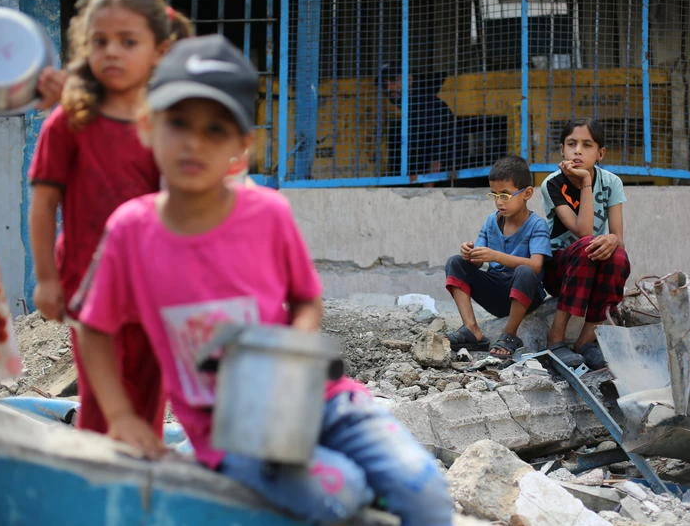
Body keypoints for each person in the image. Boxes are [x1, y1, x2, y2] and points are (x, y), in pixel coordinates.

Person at [72, 34, 454, 526]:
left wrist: (287, 361)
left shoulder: (268, 214)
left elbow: (306, 301)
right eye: (179, 124)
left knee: (423, 491)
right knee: (338, 489)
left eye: (216, 129)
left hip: (322, 400)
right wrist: (122, 416)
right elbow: (93, 326)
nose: (194, 142)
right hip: (229, 432)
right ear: (147, 127)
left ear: (242, 146)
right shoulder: (131, 230)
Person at [28, 0, 192, 436]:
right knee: (103, 406)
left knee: (149, 402)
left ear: (159, 50)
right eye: (100, 41)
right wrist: (45, 278)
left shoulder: (168, 126)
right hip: (89, 286)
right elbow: (43, 204)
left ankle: (139, 492)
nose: (112, 51)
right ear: (85, 49)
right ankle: (96, 489)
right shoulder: (68, 123)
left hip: (154, 288)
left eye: (127, 41)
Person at [540, 118, 631, 369]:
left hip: (591, 260)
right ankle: (555, 339)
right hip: (559, 269)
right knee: (587, 245)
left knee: (619, 257)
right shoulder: (553, 183)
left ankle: (585, 342)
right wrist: (586, 183)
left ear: (600, 153)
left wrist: (612, 239)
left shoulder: (612, 182)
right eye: (571, 144)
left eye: (587, 145)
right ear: (562, 150)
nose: (577, 150)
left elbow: (618, 238)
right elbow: (583, 231)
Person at [444, 155, 552, 359]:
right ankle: (471, 329)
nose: (499, 202)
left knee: (525, 271)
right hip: (496, 292)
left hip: (526, 293)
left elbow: (536, 265)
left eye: (505, 195)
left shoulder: (537, 225)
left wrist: (496, 255)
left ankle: (510, 334)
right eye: (494, 195)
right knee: (455, 262)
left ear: (527, 193)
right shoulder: (490, 222)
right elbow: (478, 260)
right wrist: (469, 253)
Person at [377, 64, 463, 176]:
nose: (389, 88)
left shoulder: (427, 105)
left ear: (410, 79)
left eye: (393, 80)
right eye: (384, 85)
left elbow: (440, 146)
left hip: (437, 182)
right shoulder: (412, 107)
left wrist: (429, 184)